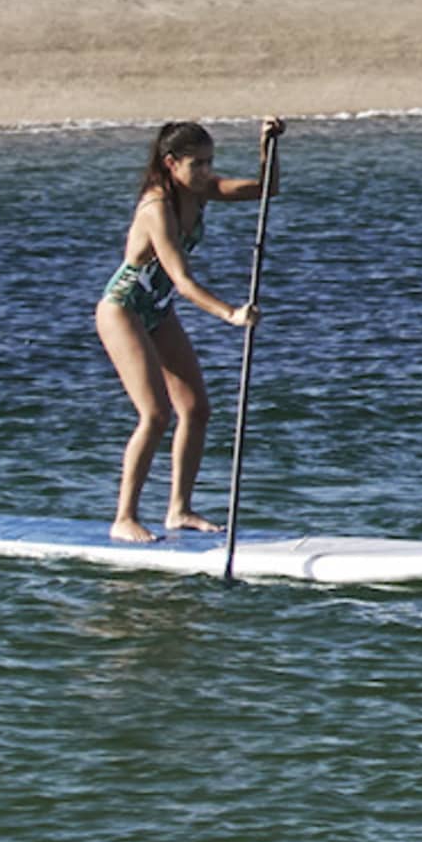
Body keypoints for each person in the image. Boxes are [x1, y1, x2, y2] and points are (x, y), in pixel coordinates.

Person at [96, 116, 282, 542]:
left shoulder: (201, 192)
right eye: (196, 164)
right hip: (123, 308)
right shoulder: (155, 207)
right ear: (170, 163)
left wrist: (268, 145)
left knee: (197, 410)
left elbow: (268, 189)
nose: (205, 172)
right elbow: (182, 280)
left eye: (209, 162)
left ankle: (179, 509)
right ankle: (124, 517)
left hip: (157, 311)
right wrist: (230, 314)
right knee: (156, 414)